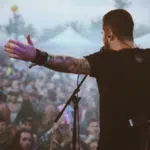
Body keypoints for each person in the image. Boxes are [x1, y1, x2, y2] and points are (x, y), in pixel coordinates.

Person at [4, 9, 150, 150]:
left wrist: (38, 56)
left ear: (110, 34)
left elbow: (72, 63)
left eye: (103, 33)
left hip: (113, 143)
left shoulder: (106, 59)